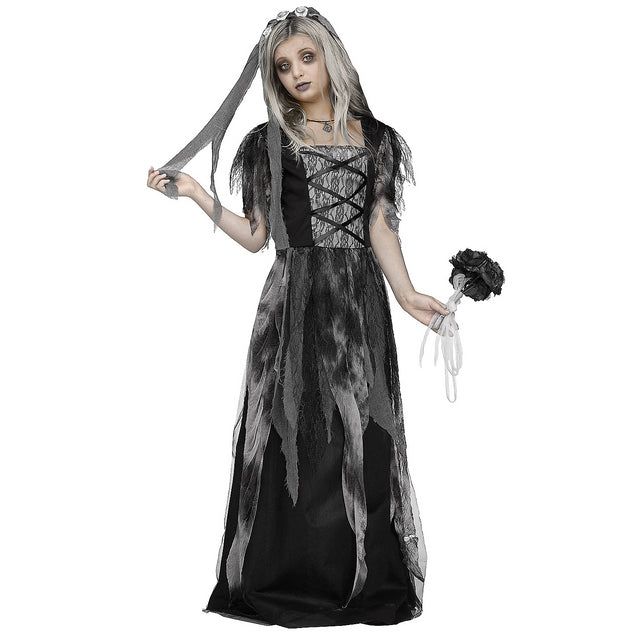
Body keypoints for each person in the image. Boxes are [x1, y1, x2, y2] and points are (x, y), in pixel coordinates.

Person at [147, 6, 456, 628]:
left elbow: (380, 227)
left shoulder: (376, 139)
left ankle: (357, 577)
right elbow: (256, 237)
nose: (296, 74)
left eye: (306, 58)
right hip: (293, 302)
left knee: (362, 435)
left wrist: (407, 294)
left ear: (330, 58)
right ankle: (289, 574)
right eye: (283, 66)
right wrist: (198, 195)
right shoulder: (268, 143)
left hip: (360, 304)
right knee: (295, 436)